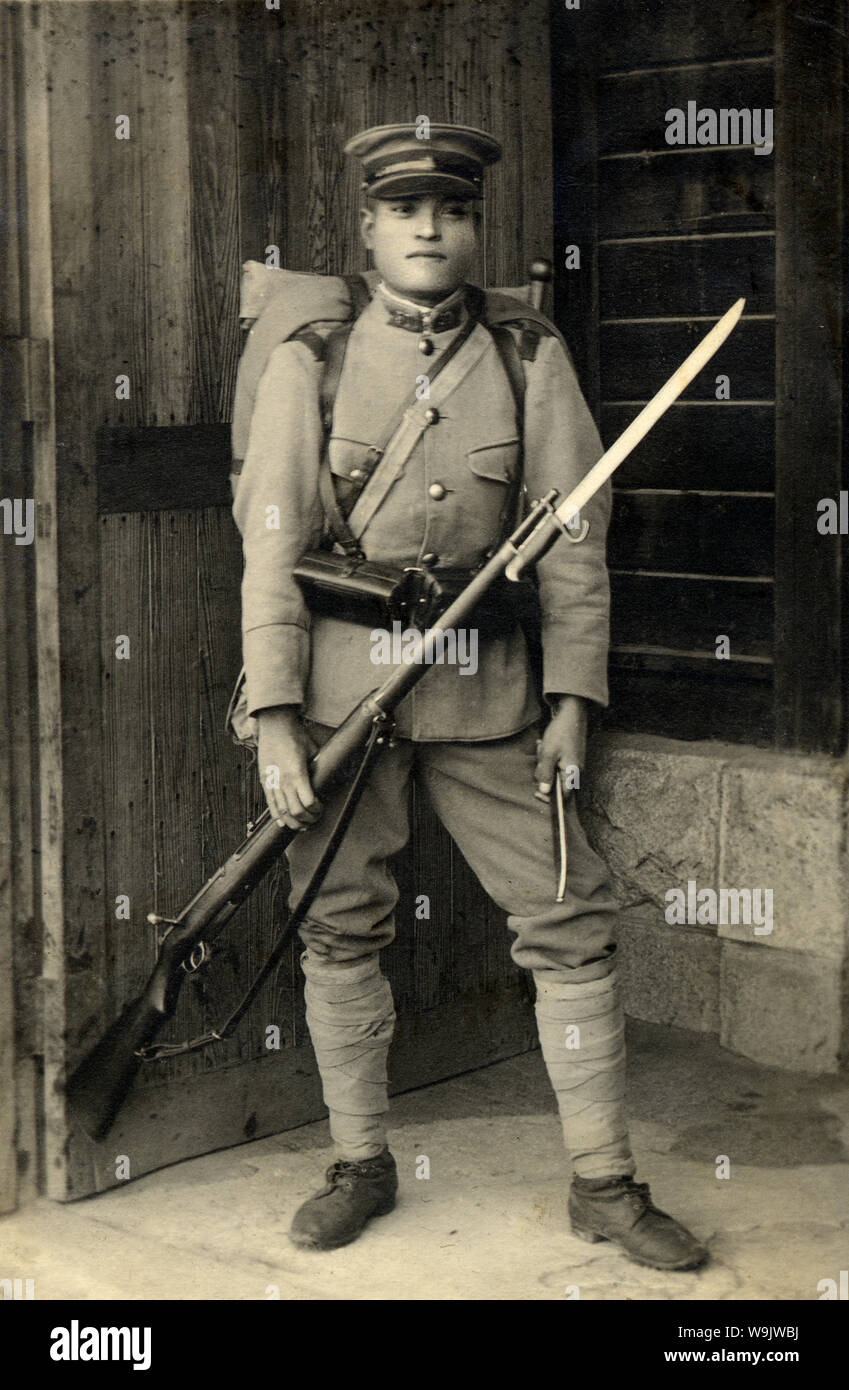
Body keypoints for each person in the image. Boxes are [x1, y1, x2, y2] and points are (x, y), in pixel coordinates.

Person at [232, 122, 707, 1271]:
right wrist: (276, 719)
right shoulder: (313, 358)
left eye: (450, 210)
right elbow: (272, 545)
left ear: (473, 228)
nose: (429, 229)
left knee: (569, 916)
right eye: (406, 210)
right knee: (339, 923)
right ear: (369, 228)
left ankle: (604, 1181)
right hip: (344, 702)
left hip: (490, 694)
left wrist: (574, 698)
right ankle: (361, 1161)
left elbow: (575, 542)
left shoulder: (527, 353)